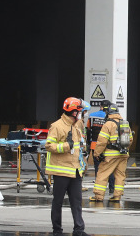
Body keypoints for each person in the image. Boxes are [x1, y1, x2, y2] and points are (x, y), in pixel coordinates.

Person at [45, 97, 90, 236]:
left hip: (76, 170)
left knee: (76, 202)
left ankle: (79, 230)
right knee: (57, 202)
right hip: (62, 171)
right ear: (73, 112)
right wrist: (65, 146)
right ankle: (57, 230)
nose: (81, 114)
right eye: (79, 112)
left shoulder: (77, 125)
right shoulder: (57, 126)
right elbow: (49, 146)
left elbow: (86, 108)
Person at [90, 104, 130, 202]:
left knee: (102, 174)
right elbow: (130, 140)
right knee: (120, 175)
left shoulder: (108, 124)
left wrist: (97, 153)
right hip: (123, 154)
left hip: (111, 155)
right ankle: (117, 196)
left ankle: (98, 196)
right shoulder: (124, 123)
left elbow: (102, 141)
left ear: (108, 113)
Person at [86, 100, 115, 193]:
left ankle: (98, 190)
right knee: (109, 168)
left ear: (100, 106)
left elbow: (88, 130)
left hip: (95, 146)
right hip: (107, 147)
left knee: (98, 169)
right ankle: (111, 188)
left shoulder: (92, 116)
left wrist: (88, 144)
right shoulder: (110, 118)